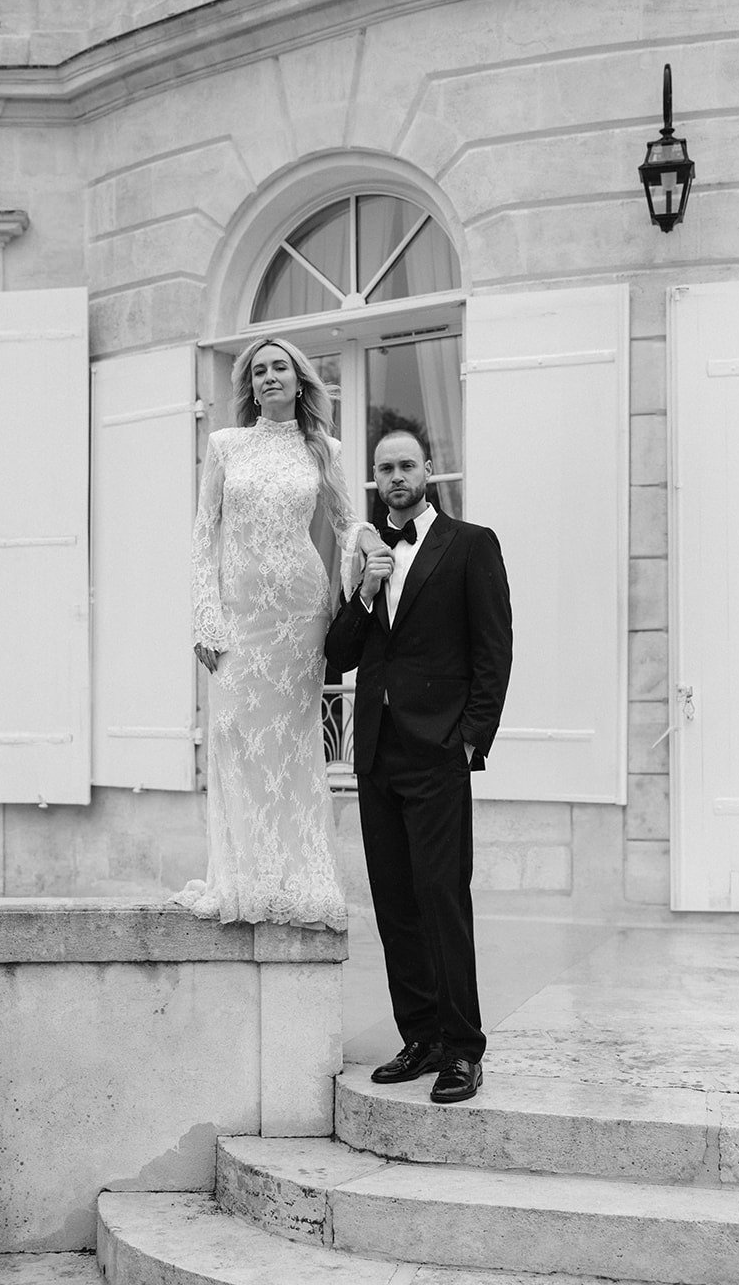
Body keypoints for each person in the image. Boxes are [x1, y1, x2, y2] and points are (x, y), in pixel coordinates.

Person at [324, 430, 512, 1103]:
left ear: (427, 470)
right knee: (395, 906)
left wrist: (468, 741)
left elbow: (494, 652)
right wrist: (365, 593)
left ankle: (463, 1048)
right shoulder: (366, 556)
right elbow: (337, 655)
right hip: (376, 752)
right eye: (384, 469)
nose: (396, 476)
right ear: (374, 479)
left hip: (437, 754)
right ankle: (421, 1038)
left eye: (406, 465)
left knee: (441, 901)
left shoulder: (470, 544)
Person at [174, 336, 383, 933]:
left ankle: (298, 879)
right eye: (258, 370)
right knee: (234, 731)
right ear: (250, 384)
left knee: (291, 744)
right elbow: (203, 534)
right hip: (239, 612)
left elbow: (345, 520)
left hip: (299, 610)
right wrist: (205, 616)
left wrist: (367, 542)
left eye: (279, 368)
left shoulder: (324, 448)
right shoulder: (225, 446)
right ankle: (241, 878)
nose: (269, 377)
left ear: (299, 381)